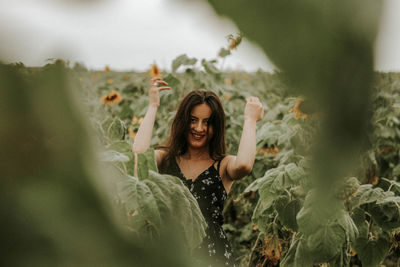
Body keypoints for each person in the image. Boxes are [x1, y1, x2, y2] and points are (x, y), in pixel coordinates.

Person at [133, 76, 264, 266]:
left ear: (216, 126)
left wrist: (250, 120)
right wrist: (153, 106)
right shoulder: (166, 159)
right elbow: (138, 157)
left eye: (207, 122)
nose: (199, 128)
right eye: (193, 120)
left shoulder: (223, 165)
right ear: (183, 122)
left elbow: (244, 164)